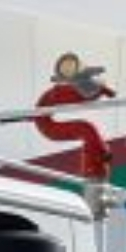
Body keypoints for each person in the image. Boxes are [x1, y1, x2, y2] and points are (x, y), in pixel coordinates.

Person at [33, 53, 116, 185]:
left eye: (70, 67)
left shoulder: (80, 84)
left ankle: (96, 169)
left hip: (81, 92)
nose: (67, 69)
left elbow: (89, 91)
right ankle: (95, 169)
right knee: (86, 129)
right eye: (64, 68)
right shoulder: (58, 92)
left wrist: (101, 89)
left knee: (87, 129)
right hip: (47, 121)